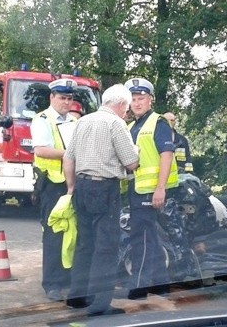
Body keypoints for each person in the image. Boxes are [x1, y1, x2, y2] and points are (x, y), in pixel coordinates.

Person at [63, 84, 139, 316]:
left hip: (82, 186)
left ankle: (77, 296)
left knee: (85, 243)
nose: (126, 113)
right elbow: (131, 162)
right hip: (104, 187)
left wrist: (71, 188)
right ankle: (99, 305)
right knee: (106, 247)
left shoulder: (83, 122)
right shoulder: (116, 124)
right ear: (121, 105)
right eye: (126, 109)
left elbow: (68, 158)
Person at [124, 77, 178, 300]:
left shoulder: (158, 123)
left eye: (141, 98)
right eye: (133, 99)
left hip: (151, 190)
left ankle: (139, 285)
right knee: (152, 238)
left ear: (150, 100)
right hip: (137, 189)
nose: (137, 103)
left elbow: (167, 155)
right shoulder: (130, 126)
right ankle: (160, 284)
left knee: (141, 237)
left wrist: (160, 188)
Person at [30, 78, 78, 302]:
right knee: (53, 234)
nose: (66, 102)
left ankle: (67, 278)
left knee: (72, 232)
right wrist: (70, 154)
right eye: (62, 98)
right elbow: (41, 150)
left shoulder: (74, 121)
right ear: (52, 97)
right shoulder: (42, 119)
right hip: (51, 184)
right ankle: (52, 283)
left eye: (69, 98)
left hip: (72, 183)